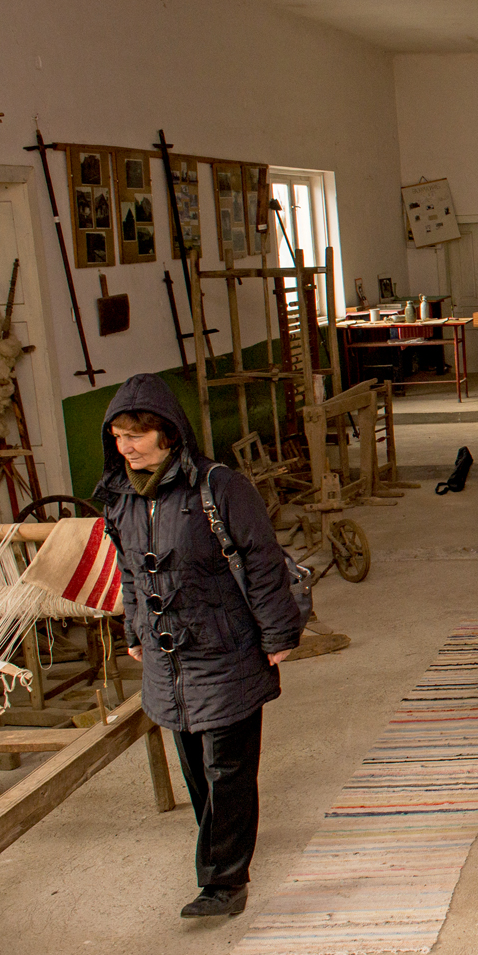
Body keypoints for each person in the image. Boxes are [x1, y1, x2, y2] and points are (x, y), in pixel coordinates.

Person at [94, 374, 301, 918]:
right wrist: (134, 627)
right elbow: (131, 570)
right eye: (118, 437)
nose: (126, 448)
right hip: (169, 657)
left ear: (166, 432)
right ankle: (220, 853)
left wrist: (277, 633)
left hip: (224, 645)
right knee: (194, 763)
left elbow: (260, 558)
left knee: (228, 768)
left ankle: (224, 884)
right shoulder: (122, 496)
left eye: (135, 436)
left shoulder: (218, 487)